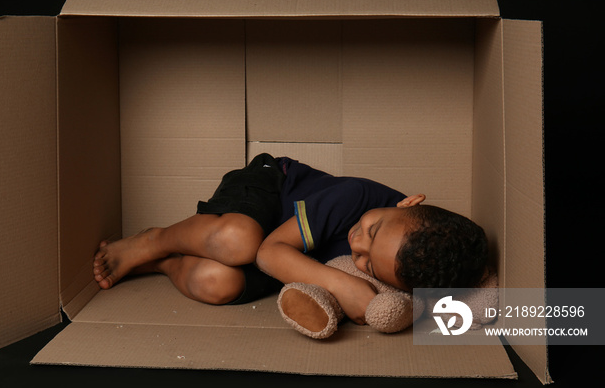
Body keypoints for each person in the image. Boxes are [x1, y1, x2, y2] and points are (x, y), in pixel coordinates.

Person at [93, 154, 488, 324]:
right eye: (373, 230)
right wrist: (344, 282)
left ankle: (164, 263)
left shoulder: (403, 272)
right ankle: (155, 241)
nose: (357, 245)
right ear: (408, 203)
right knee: (240, 240)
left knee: (219, 283)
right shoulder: (357, 197)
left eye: (367, 262)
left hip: (289, 263)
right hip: (269, 197)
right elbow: (268, 253)